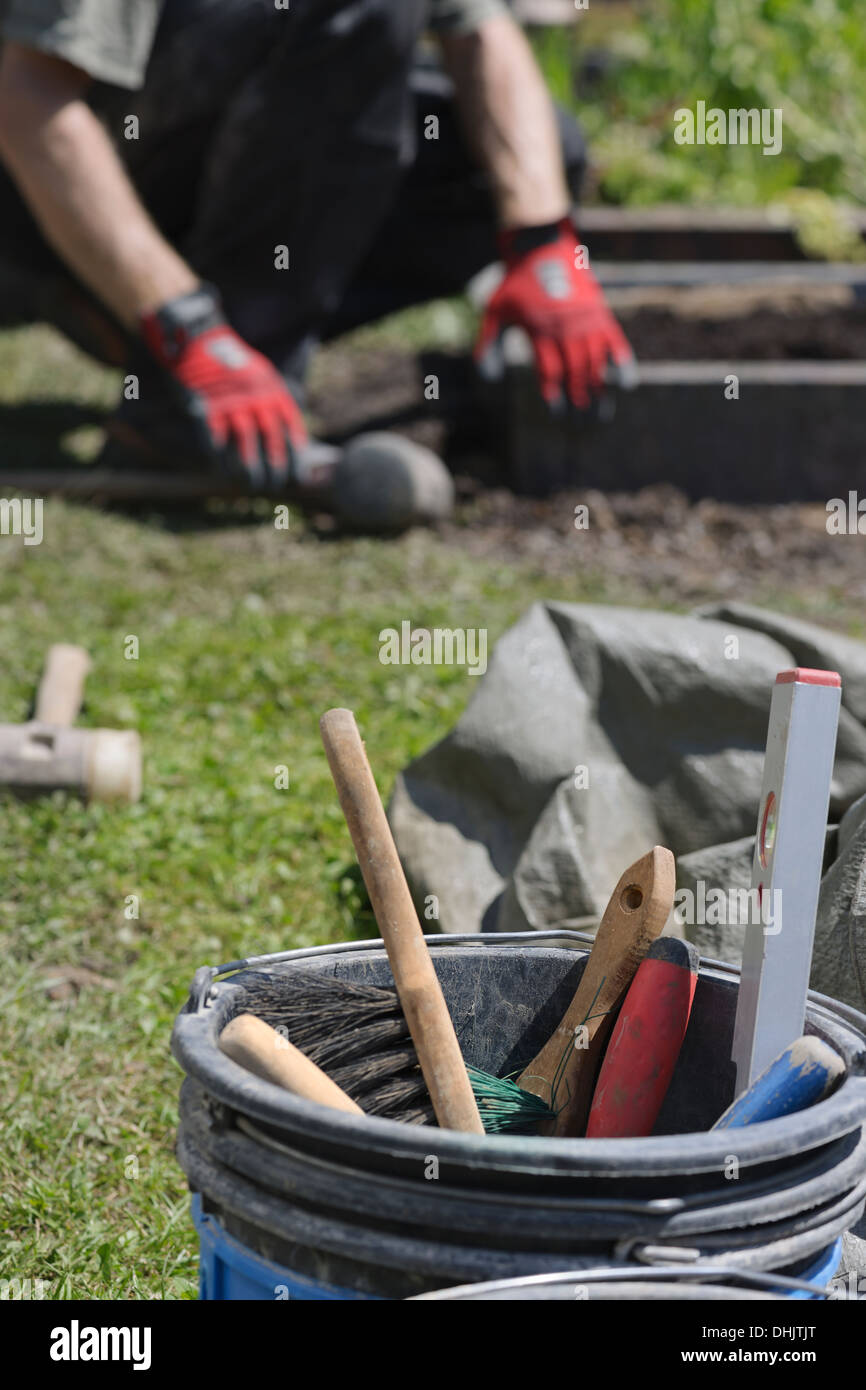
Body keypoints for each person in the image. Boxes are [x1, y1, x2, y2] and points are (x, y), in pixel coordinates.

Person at [0, 0, 633, 517]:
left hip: (190, 148)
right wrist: (183, 323)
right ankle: (180, 403)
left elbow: (479, 28)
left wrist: (540, 242)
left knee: (528, 159)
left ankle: (188, 340)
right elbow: (26, 98)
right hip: (34, 199)